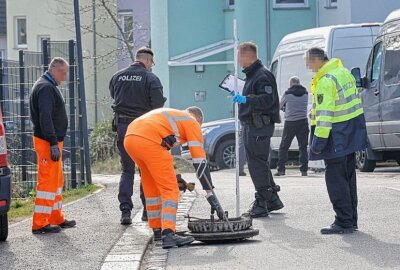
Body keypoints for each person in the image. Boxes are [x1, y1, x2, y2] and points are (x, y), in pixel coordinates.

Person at [124, 107, 224, 248]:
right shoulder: (192, 122)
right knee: (170, 190)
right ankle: (168, 234)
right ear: (199, 119)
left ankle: (158, 231)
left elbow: (162, 157)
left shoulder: (171, 118)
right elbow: (199, 160)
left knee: (151, 188)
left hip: (131, 138)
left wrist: (175, 175)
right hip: (149, 141)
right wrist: (209, 192)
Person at [306, 47, 368, 234]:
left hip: (335, 136)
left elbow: (325, 116)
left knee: (335, 179)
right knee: (348, 177)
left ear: (316, 60)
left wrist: (317, 143)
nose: (308, 66)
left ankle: (343, 221)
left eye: (308, 62)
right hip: (350, 132)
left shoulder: (326, 81)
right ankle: (350, 219)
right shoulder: (343, 73)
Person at [109, 47, 167, 225]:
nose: (151, 67)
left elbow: (114, 96)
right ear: (148, 61)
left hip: (123, 128)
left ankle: (125, 211)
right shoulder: (151, 78)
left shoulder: (117, 76)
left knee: (127, 170)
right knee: (145, 171)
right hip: (143, 130)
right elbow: (158, 108)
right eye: (152, 63)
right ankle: (147, 211)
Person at [231, 42, 284, 218]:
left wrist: (247, 99)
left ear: (247, 56)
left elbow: (267, 100)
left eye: (239, 56)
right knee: (259, 163)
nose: (238, 60)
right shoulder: (253, 75)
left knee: (256, 165)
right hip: (253, 125)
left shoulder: (262, 75)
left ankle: (262, 202)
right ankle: (272, 199)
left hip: (258, 126)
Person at [29, 57, 76, 234]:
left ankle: (56, 217)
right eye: (63, 73)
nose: (64, 77)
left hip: (51, 141)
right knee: (47, 182)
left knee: (56, 181)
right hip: (48, 142)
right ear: (54, 69)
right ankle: (40, 223)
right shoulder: (46, 88)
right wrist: (53, 142)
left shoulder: (47, 86)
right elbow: (45, 117)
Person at [275, 76, 309, 177]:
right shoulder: (306, 93)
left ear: (291, 83)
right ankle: (304, 170)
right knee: (303, 147)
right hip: (303, 122)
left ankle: (281, 170)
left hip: (290, 123)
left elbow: (280, 106)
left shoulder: (287, 93)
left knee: (284, 147)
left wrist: (286, 108)